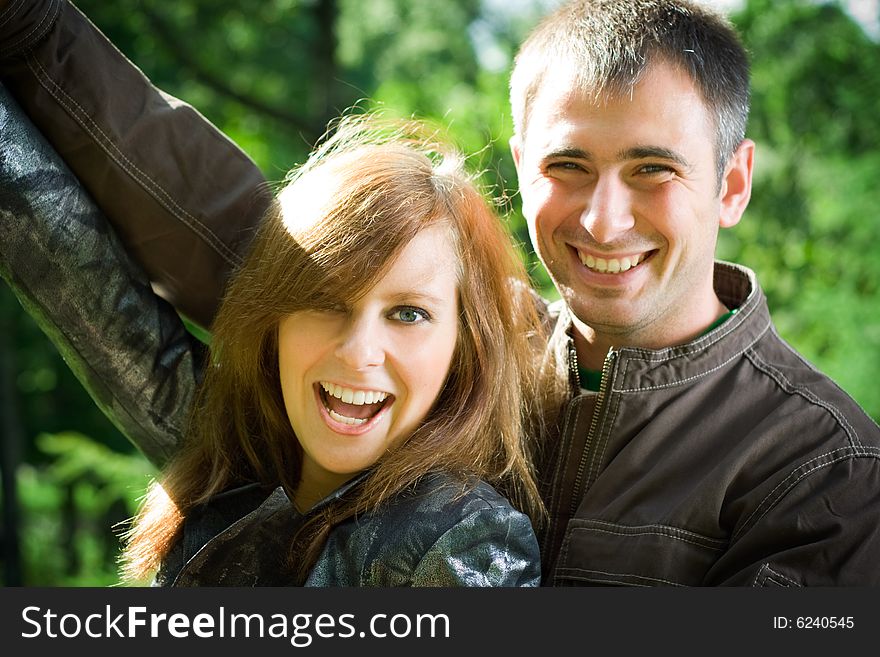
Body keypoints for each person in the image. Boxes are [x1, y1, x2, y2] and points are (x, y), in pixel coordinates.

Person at [2, 0, 879, 586]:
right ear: (524, 170)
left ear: (733, 183)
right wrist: (31, 29)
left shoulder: (823, 470)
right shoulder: (460, 343)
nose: (605, 219)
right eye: (567, 167)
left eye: (654, 170)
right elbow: (229, 226)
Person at [1, 90, 555, 585]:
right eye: (326, 301)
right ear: (276, 318)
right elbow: (60, 258)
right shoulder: (226, 450)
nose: (358, 351)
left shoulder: (469, 541)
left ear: (464, 345)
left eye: (408, 314)